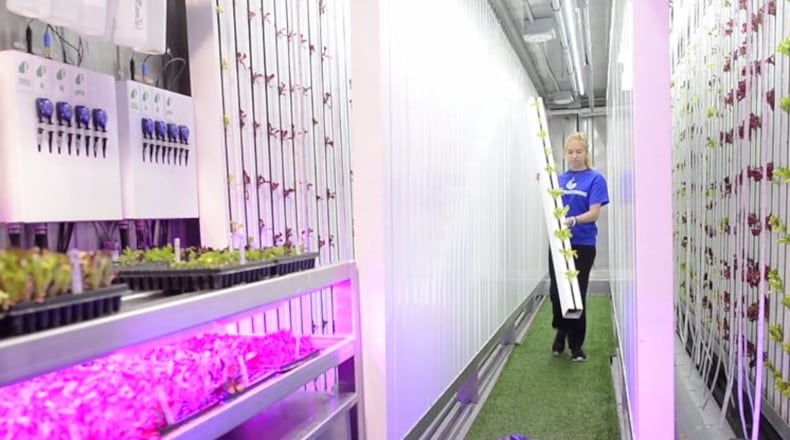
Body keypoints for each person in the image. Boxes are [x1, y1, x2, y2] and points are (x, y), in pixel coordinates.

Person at [547, 132, 609, 362]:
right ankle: (561, 330)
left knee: (576, 294)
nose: (574, 156)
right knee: (556, 292)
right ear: (566, 154)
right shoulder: (559, 180)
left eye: (579, 152)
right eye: (570, 152)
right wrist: (541, 181)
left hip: (582, 243)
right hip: (559, 243)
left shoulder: (595, 179)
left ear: (586, 153)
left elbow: (594, 213)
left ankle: (576, 346)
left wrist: (573, 220)